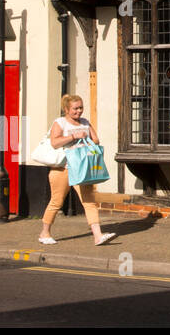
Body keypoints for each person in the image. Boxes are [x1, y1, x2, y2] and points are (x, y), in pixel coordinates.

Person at [38, 94, 116, 246]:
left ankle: (98, 236)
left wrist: (84, 142)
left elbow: (96, 140)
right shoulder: (60, 123)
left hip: (82, 168)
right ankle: (44, 232)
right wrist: (74, 136)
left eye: (81, 108)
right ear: (66, 109)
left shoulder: (85, 122)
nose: (79, 111)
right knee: (56, 201)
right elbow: (54, 143)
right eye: (75, 108)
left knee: (89, 202)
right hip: (63, 168)